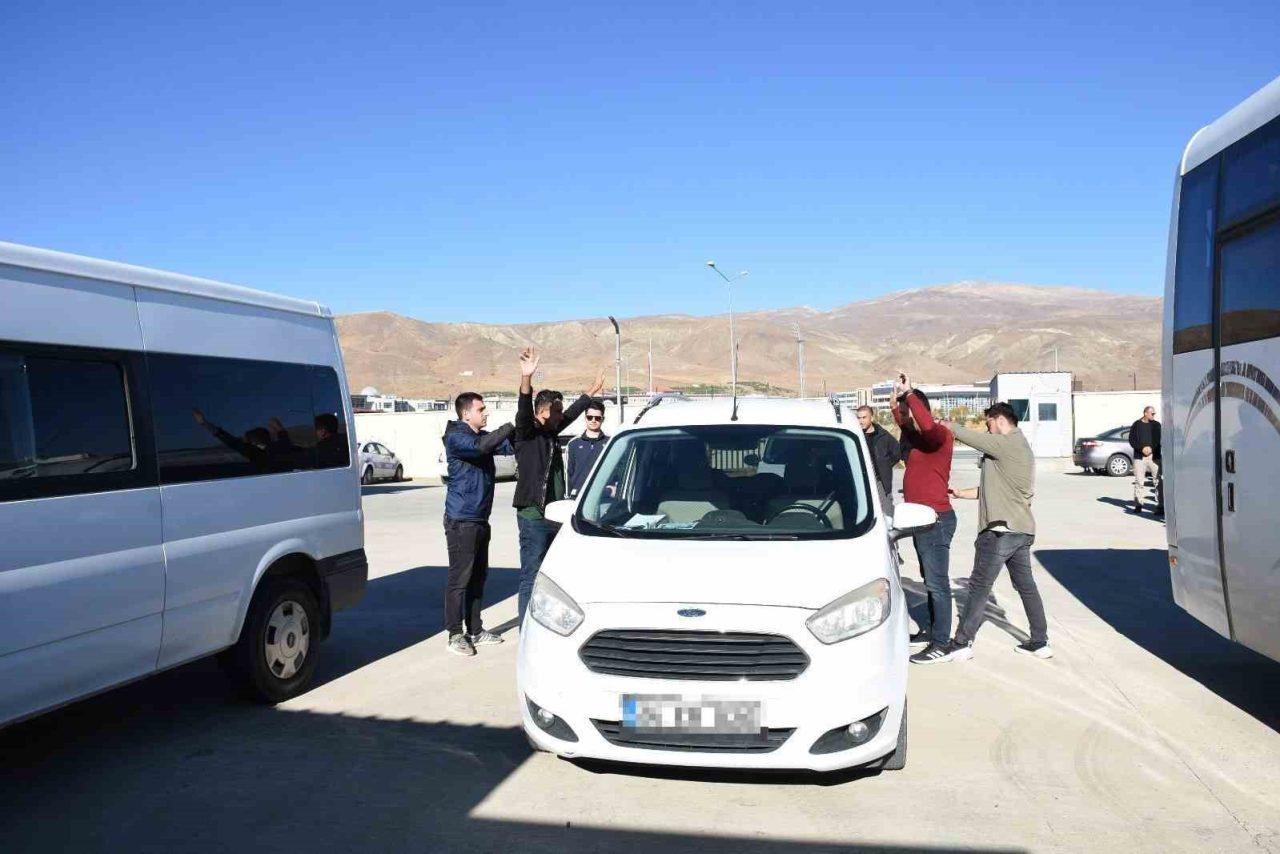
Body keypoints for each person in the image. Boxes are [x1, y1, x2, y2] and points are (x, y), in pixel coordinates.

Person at [939, 402, 1052, 661]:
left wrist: (948, 426)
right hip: (1020, 530)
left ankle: (961, 643)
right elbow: (993, 490)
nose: (987, 429)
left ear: (1000, 420)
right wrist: (960, 493)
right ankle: (1040, 640)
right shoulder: (1017, 448)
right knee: (1026, 586)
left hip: (1000, 531)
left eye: (989, 423)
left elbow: (972, 438)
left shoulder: (1008, 443)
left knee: (979, 585)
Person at [513, 348, 605, 623]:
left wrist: (593, 390)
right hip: (533, 515)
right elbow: (523, 408)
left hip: (554, 516)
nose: (561, 416)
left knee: (553, 576)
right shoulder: (527, 433)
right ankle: (526, 629)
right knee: (532, 575)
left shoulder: (551, 430)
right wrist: (525, 378)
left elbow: (574, 413)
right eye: (556, 411)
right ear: (543, 411)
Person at [442, 389, 516, 657]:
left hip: (480, 519)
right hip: (462, 520)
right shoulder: (457, 438)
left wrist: (527, 423)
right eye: (481, 409)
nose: (485, 413)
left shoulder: (479, 436)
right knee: (459, 579)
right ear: (466, 413)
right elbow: (482, 448)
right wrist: (509, 427)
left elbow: (507, 444)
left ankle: (475, 630)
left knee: (478, 577)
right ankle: (454, 634)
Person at [891, 376, 957, 665]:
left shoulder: (939, 435)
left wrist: (909, 394)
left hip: (936, 520)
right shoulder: (919, 440)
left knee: (937, 583)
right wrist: (896, 404)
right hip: (920, 519)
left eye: (911, 409)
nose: (906, 416)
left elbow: (926, 424)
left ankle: (942, 643)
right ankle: (931, 629)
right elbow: (906, 423)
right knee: (929, 579)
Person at [856, 405, 899, 510]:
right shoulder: (856, 436)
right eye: (859, 418)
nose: (861, 421)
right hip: (861, 480)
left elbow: (897, 452)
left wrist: (884, 465)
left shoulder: (883, 436)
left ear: (871, 418)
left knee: (886, 510)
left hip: (880, 481)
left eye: (864, 417)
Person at [566, 398, 609, 497]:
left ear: (603, 419)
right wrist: (569, 496)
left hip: (603, 497)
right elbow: (568, 473)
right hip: (577, 497)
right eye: (590, 417)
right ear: (585, 418)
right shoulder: (573, 444)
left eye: (597, 418)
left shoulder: (609, 443)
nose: (593, 420)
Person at [1129, 405, 1162, 515]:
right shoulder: (1136, 425)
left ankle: (1160, 506)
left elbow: (1158, 439)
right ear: (1145, 413)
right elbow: (1131, 440)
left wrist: (1151, 448)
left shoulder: (1157, 425)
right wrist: (1141, 448)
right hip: (1140, 456)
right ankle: (1138, 504)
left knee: (1157, 480)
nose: (1153, 415)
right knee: (1139, 480)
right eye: (1152, 413)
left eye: (1154, 414)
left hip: (1154, 456)